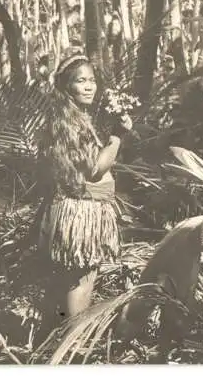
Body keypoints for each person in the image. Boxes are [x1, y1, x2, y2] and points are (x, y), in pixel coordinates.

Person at [34, 53, 132, 345]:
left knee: (71, 281)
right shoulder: (71, 122)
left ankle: (55, 347)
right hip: (80, 213)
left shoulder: (70, 118)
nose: (89, 87)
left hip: (76, 209)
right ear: (67, 86)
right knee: (81, 281)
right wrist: (117, 136)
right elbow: (94, 169)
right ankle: (72, 348)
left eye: (92, 80)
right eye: (81, 81)